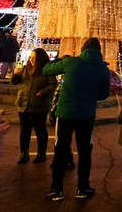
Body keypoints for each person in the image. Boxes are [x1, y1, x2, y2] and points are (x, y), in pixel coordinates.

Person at [43, 38, 110, 201]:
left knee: (60, 150)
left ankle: (57, 189)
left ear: (83, 48)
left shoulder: (71, 63)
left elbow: (46, 70)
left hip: (65, 114)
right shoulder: (103, 69)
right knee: (85, 152)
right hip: (86, 116)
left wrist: (61, 58)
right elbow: (102, 95)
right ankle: (82, 187)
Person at [11, 48, 57, 164]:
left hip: (39, 105)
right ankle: (24, 153)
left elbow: (53, 85)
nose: (31, 60)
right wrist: (15, 74)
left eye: (34, 58)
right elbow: (15, 82)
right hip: (23, 104)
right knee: (24, 131)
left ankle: (41, 153)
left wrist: (42, 92)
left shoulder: (47, 70)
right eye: (30, 57)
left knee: (40, 130)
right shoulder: (25, 69)